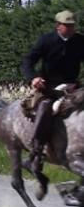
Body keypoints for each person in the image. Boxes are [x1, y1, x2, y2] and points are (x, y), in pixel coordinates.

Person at [22, 10, 84, 159]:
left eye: (72, 26)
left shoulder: (81, 41)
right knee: (44, 107)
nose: (70, 29)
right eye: (66, 25)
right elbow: (28, 61)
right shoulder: (46, 40)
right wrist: (34, 78)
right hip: (48, 86)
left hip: (73, 86)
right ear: (58, 25)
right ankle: (37, 148)